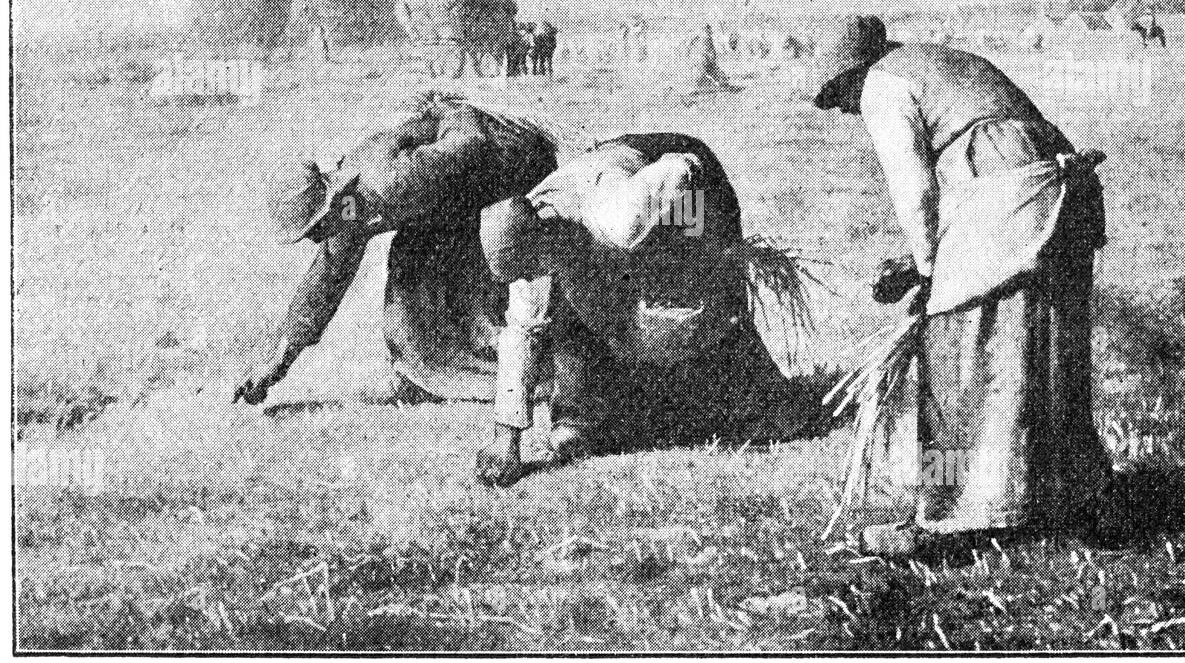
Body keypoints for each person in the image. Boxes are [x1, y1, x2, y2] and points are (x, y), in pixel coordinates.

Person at [811, 16, 1111, 546]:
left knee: (954, 355)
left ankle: (954, 515)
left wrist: (927, 270)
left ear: (851, 76)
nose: (841, 109)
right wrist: (922, 261)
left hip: (1013, 201)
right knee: (1043, 350)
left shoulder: (884, 84)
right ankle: (1064, 500)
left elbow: (917, 193)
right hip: (1061, 200)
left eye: (838, 94)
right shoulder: (939, 63)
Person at [474, 133, 802, 486]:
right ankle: (580, 418)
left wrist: (697, 248)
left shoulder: (617, 215)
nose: (525, 280)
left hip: (687, 179)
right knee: (556, 307)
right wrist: (505, 441)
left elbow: (683, 167)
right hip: (614, 181)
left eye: (528, 270)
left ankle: (769, 402)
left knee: (686, 314)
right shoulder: (532, 241)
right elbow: (523, 332)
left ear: (545, 239)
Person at [233, 98, 557, 407]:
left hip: (506, 175)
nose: (315, 239)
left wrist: (441, 115)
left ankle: (538, 374)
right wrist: (276, 362)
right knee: (405, 318)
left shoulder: (389, 181)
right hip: (445, 208)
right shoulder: (348, 208)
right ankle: (440, 378)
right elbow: (326, 280)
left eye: (312, 228)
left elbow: (471, 141)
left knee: (483, 303)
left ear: (327, 204)